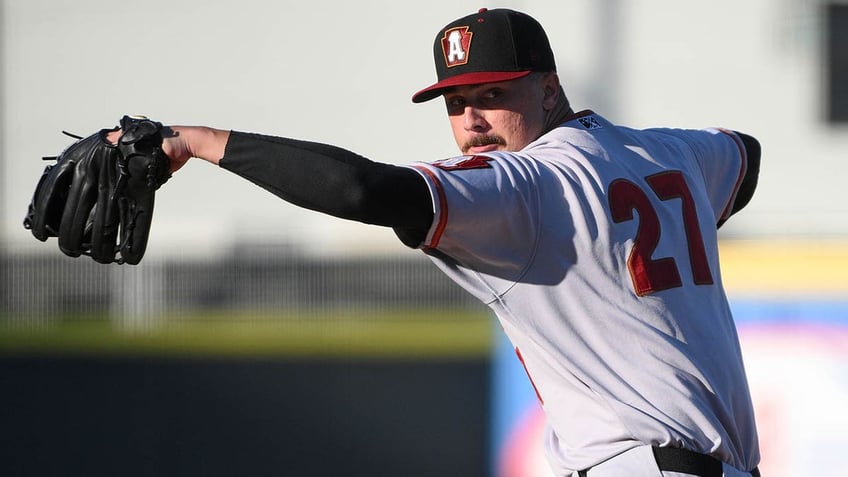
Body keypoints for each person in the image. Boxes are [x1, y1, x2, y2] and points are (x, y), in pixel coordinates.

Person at [115, 7, 762, 477]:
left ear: (549, 86)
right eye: (455, 102)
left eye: (493, 94)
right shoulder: (670, 152)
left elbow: (363, 190)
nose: (473, 120)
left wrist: (194, 141)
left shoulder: (523, 183)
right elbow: (747, 155)